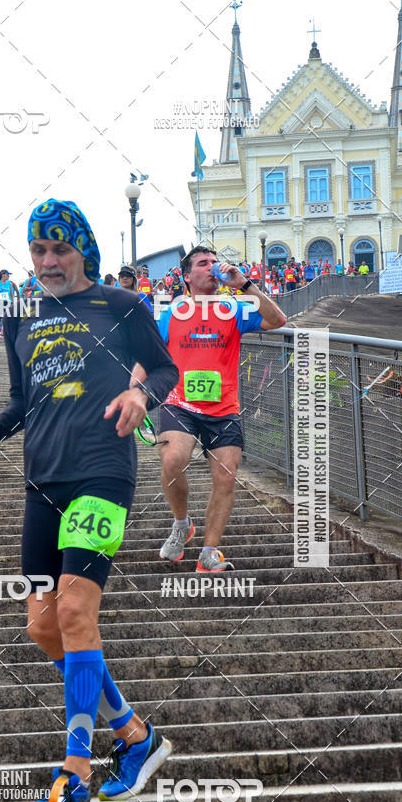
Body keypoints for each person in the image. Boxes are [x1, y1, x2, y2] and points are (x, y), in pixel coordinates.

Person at [0, 198, 178, 802]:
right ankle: (137, 737)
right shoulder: (19, 314)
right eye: (38, 251)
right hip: (42, 483)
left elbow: (166, 366)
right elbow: (20, 397)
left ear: (82, 249)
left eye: (60, 249)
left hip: (103, 476)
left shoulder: (121, 306)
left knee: (76, 611)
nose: (49, 262)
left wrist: (141, 392)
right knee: (43, 627)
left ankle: (76, 771)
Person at [148, 245, 286, 572]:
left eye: (214, 261)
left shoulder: (234, 307)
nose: (211, 267)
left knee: (225, 478)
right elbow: (149, 357)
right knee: (172, 459)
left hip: (224, 409)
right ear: (186, 275)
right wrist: (134, 391)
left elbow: (278, 319)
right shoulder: (170, 312)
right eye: (202, 263)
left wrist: (245, 284)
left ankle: (209, 552)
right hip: (179, 403)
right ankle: (181, 523)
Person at [0, 269, 19, 339]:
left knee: (9, 318)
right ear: (3, 275)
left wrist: (13, 303)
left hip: (8, 302)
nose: (8, 276)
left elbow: (11, 294)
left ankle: (9, 333)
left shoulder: (10, 283)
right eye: (7, 275)